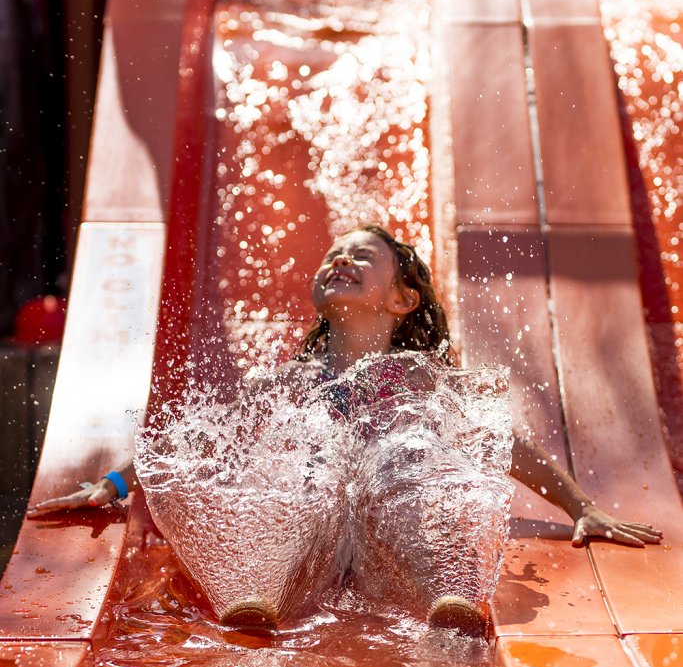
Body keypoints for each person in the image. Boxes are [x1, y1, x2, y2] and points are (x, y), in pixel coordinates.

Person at [27, 224, 662, 636]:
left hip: (391, 528)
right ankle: (255, 588)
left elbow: (497, 444)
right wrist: (111, 484)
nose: (341, 259)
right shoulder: (288, 383)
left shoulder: (414, 375)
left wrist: (582, 506)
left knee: (412, 465)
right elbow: (199, 438)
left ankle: (448, 585)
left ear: (402, 299)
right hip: (317, 530)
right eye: (333, 253)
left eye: (363, 256)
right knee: (294, 482)